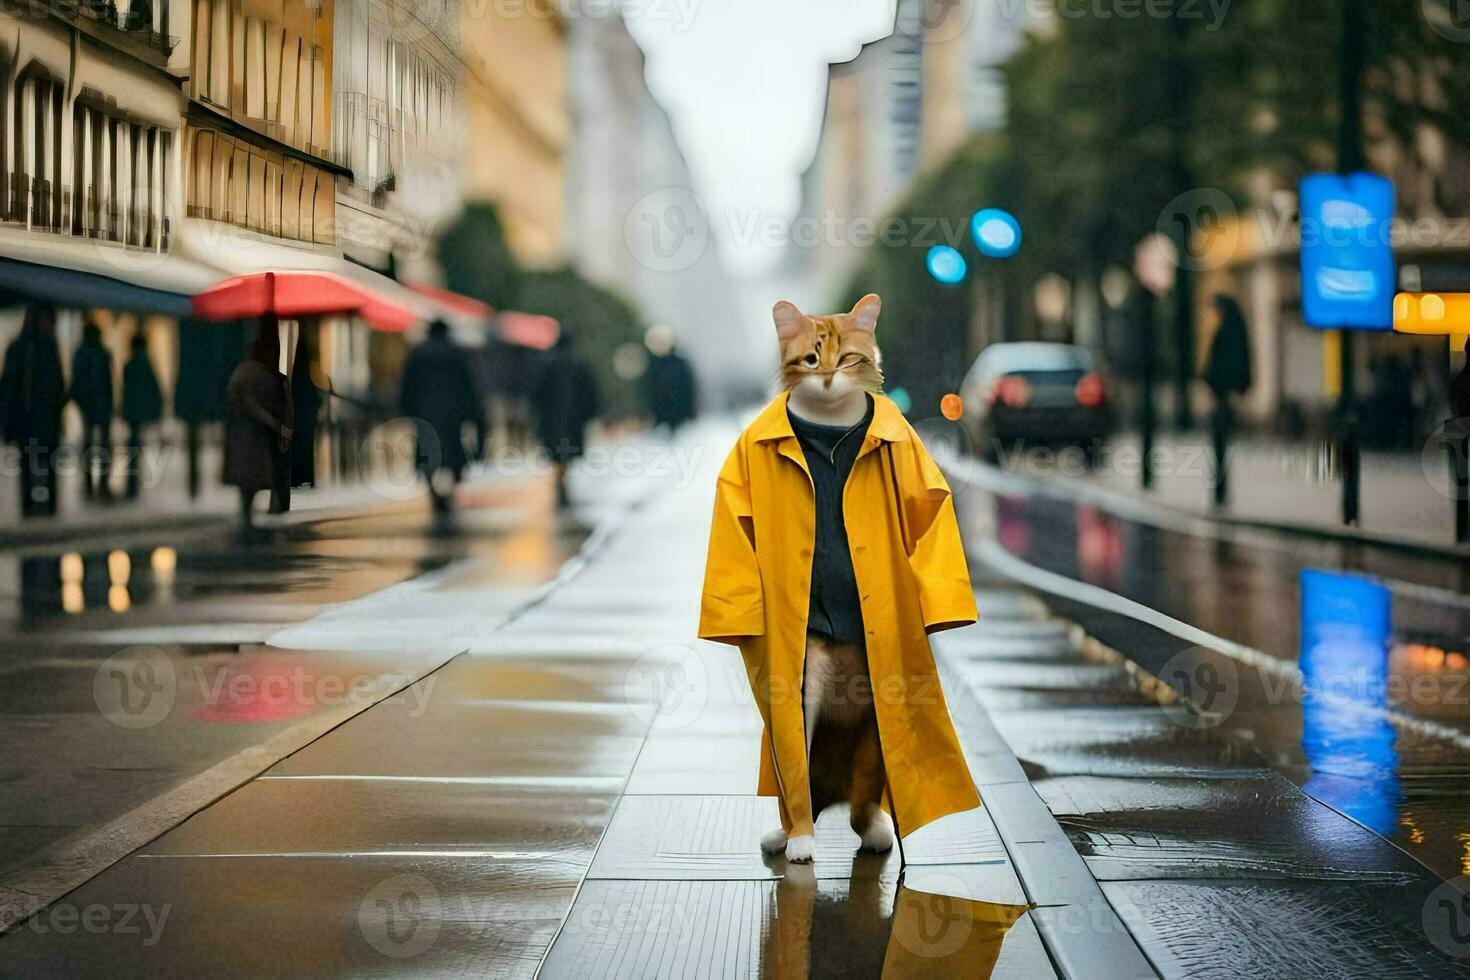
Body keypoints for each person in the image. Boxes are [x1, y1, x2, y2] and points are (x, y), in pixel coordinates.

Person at [399, 319, 480, 523]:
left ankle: (432, 490)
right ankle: (450, 490)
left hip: (424, 411)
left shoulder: (418, 353)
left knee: (428, 453)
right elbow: (467, 385)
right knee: (452, 451)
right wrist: (472, 414)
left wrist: (405, 410)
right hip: (452, 412)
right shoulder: (456, 352)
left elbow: (408, 384)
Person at [0, 306, 66, 518]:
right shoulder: (47, 346)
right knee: (46, 462)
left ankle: (30, 505)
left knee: (29, 463)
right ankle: (47, 504)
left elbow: (8, 386)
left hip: (27, 417)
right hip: (43, 417)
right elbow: (57, 385)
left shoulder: (19, 347)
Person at [223, 321, 290, 531]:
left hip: (245, 433)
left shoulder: (245, 372)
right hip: (250, 434)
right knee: (251, 475)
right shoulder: (256, 373)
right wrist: (272, 423)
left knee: (248, 477)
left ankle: (247, 513)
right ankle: (248, 513)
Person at [531, 327, 599, 509]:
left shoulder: (546, 362)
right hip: (573, 419)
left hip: (551, 418)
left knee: (556, 452)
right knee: (567, 452)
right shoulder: (579, 364)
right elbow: (590, 393)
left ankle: (560, 481)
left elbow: (536, 392)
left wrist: (537, 415)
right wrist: (588, 414)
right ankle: (563, 481)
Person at [1201, 294, 1253, 506]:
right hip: (1225, 397)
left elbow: (1220, 366)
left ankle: (1220, 493)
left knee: (1220, 445)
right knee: (1220, 447)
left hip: (1223, 398)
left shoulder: (1226, 332)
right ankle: (1220, 492)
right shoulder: (1234, 330)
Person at [69, 320, 115, 499]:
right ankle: (101, 484)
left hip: (90, 405)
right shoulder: (103, 353)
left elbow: (78, 380)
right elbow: (108, 382)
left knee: (90, 445)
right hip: (101, 405)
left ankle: (90, 485)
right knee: (102, 445)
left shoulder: (82, 353)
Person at [120, 330, 163, 499]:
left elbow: (127, 391)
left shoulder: (130, 365)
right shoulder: (145, 365)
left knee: (133, 447)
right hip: (140, 411)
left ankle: (131, 485)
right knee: (135, 448)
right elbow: (154, 391)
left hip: (132, 412)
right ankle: (133, 485)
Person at [641, 324, 697, 431]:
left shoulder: (679, 364)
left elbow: (688, 390)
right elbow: (648, 393)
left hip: (681, 420)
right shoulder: (650, 366)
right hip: (658, 422)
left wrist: (689, 413)